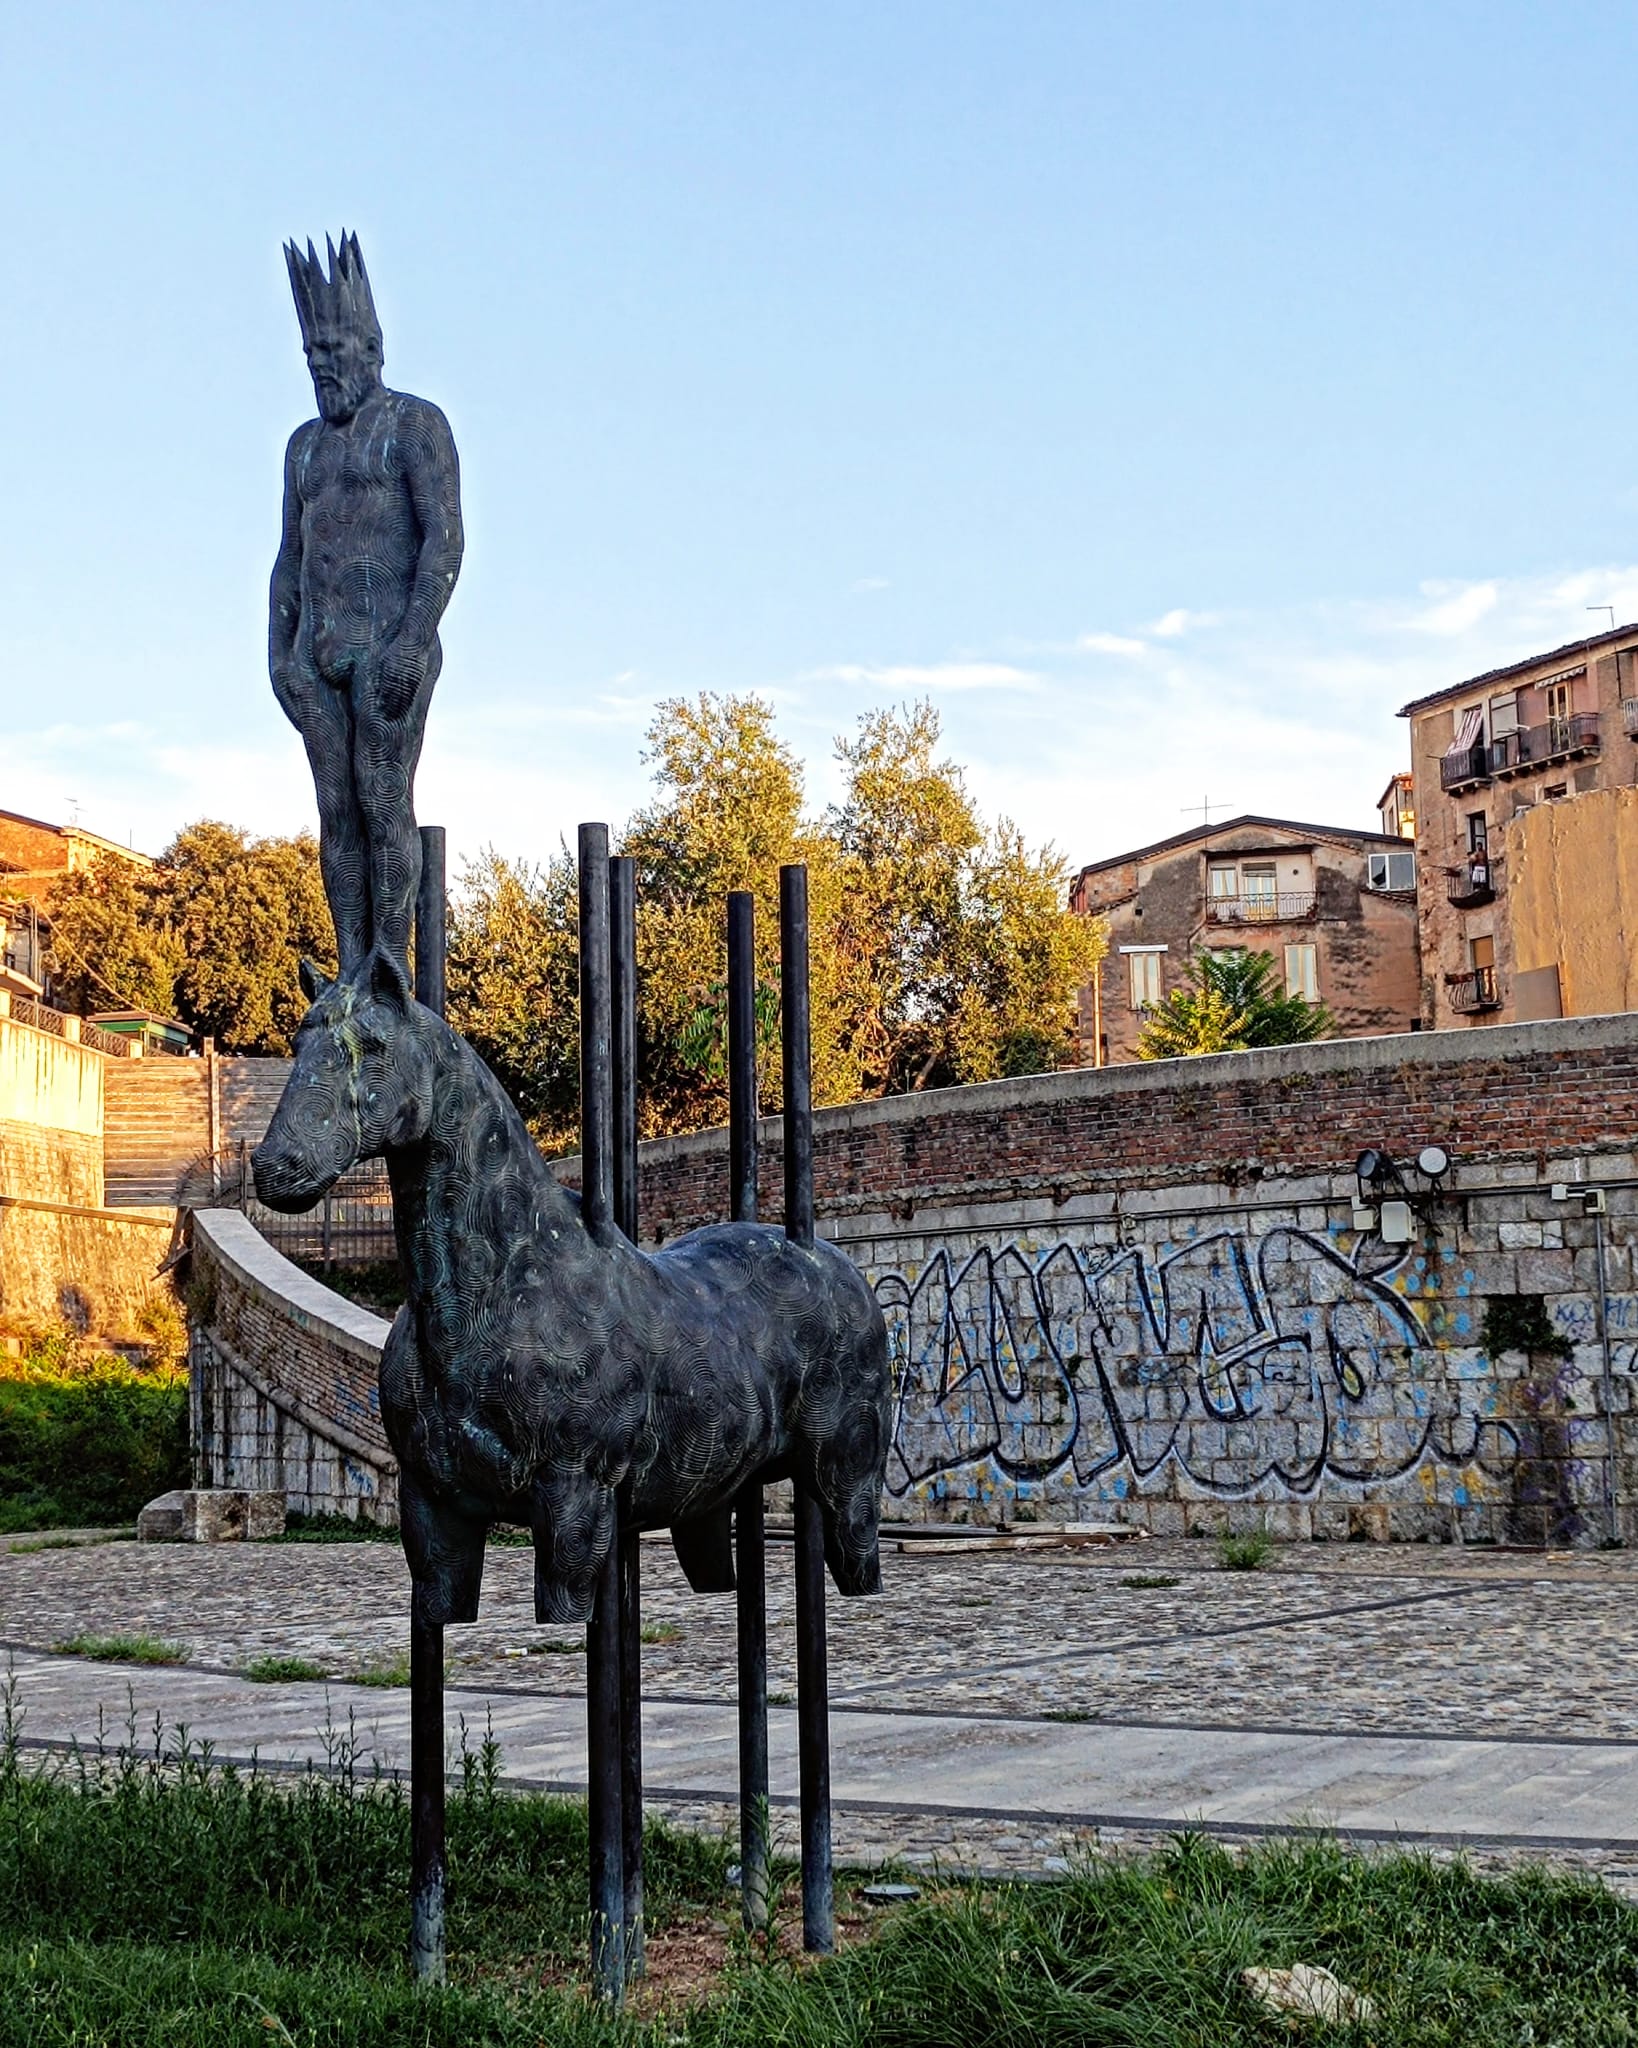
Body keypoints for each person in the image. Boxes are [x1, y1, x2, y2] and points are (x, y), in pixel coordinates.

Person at [269, 232, 463, 974]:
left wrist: (412, 641)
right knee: (335, 810)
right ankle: (353, 964)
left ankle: (390, 959)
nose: (322, 367)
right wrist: (279, 656)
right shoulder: (304, 447)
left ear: (372, 345)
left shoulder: (417, 425)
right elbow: (289, 558)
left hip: (389, 650)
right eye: (312, 357)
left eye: (334, 351)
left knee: (383, 799)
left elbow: (443, 540)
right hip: (317, 658)